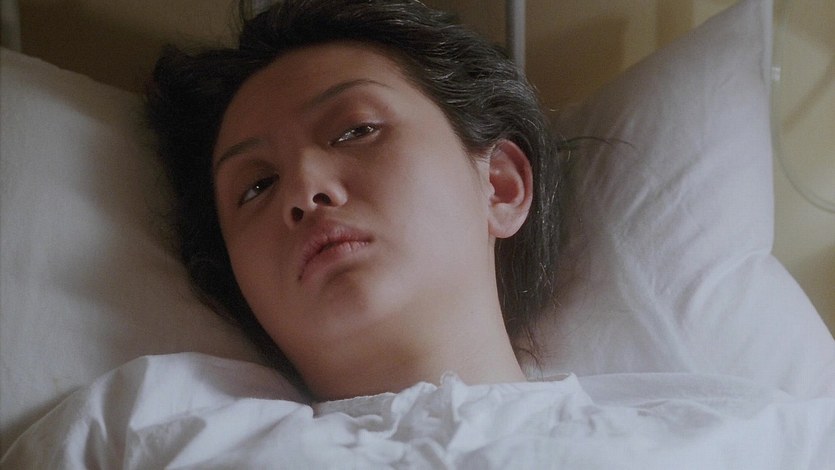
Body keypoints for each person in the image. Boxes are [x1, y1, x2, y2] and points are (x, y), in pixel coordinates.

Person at [145, 0, 563, 399]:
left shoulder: (602, 432)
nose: (303, 189)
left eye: (356, 131)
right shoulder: (160, 426)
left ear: (500, 184)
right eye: (258, 186)